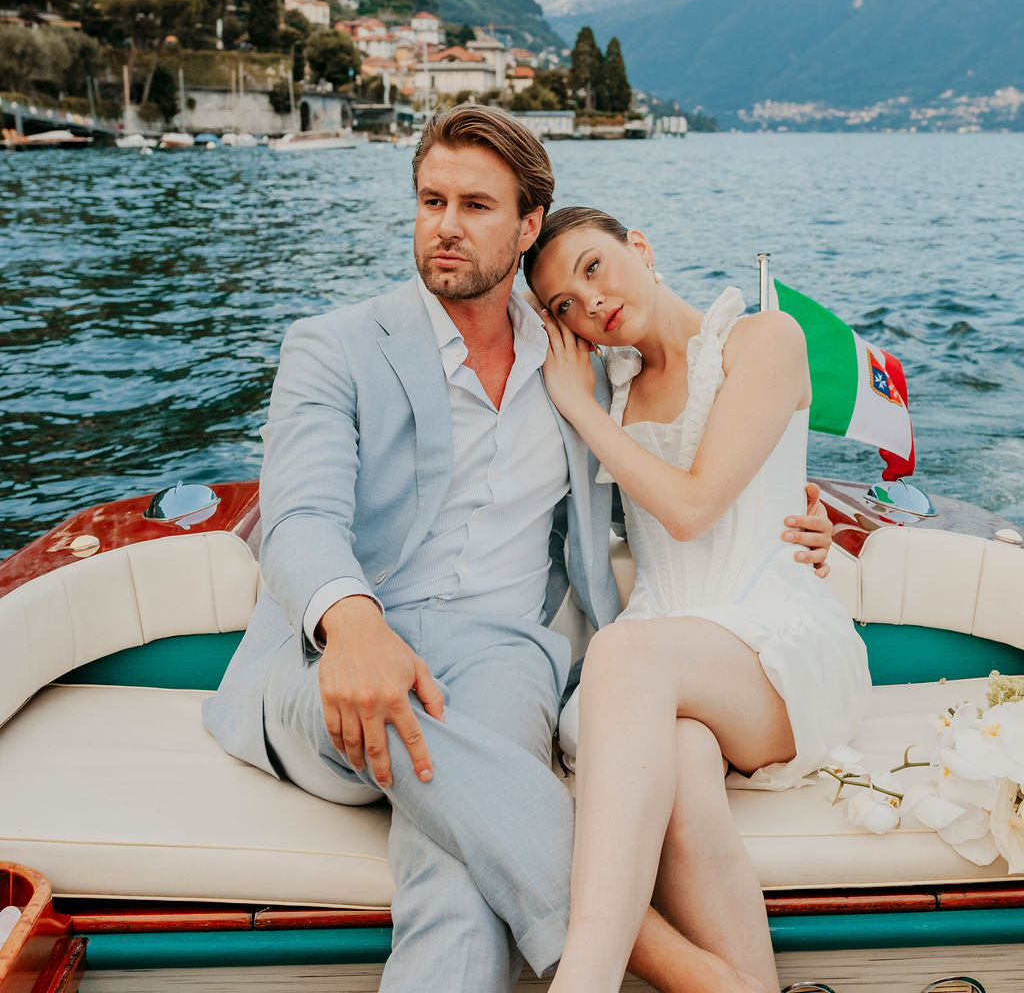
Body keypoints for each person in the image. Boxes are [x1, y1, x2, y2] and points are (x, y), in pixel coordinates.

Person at [203, 107, 835, 993]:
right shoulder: (334, 347)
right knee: (412, 719)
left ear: (527, 225)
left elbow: (672, 488)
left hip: (503, 656)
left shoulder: (577, 364)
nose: (446, 226)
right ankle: (701, 979)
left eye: (474, 205)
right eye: (430, 201)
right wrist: (350, 624)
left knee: (461, 890)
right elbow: (298, 518)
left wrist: (805, 515)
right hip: (336, 651)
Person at [523, 206, 872, 993]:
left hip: (774, 644)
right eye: (563, 308)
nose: (590, 303)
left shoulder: (765, 340)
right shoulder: (603, 389)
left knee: (620, 654)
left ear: (638, 247)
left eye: (592, 267)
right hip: (670, 653)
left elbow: (690, 509)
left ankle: (583, 981)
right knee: (676, 758)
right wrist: (581, 400)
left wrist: (576, 407)